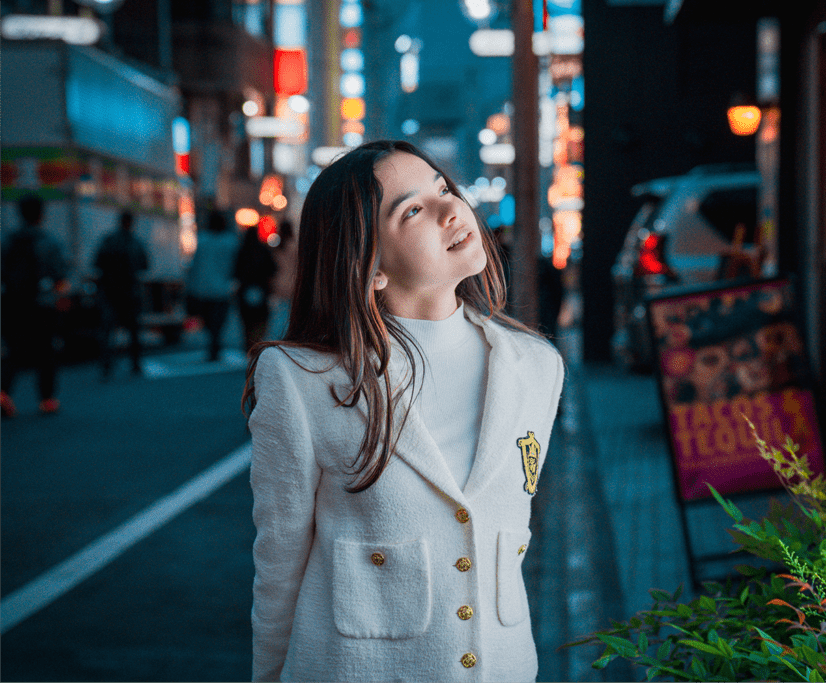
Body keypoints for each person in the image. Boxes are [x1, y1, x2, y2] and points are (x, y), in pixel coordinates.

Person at [241, 140, 564, 682]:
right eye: (412, 210)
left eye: (443, 188)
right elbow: (279, 559)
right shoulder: (302, 379)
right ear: (371, 268)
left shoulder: (537, 367)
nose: (451, 208)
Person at [1, 194, 69, 416]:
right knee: (46, 351)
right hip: (41, 304)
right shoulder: (47, 241)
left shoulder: (8, 241)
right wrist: (61, 295)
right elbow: (60, 274)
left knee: (13, 351)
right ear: (41, 213)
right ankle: (47, 399)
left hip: (12, 303)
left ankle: (3, 393)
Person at [94, 211, 150, 377]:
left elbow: (97, 262)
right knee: (133, 330)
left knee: (107, 331)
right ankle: (135, 364)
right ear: (131, 223)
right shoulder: (135, 242)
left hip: (109, 291)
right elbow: (145, 264)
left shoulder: (109, 240)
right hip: (129, 291)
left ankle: (106, 365)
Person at [185, 210, 239, 361]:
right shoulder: (231, 242)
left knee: (208, 321)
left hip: (203, 289)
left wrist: (191, 285)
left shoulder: (202, 240)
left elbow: (195, 265)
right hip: (222, 288)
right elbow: (235, 265)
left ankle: (212, 345)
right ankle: (215, 345)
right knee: (219, 321)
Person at [234, 226, 277, 353]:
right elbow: (272, 269)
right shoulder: (264, 250)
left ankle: (248, 344)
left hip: (245, 290)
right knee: (261, 319)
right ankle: (257, 341)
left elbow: (236, 271)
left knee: (247, 321)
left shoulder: (242, 251)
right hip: (262, 289)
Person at [268, 219, 298, 340]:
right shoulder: (295, 246)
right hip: (293, 284)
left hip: (278, 284)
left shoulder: (277, 247)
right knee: (290, 315)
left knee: (278, 315)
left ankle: (275, 338)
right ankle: (286, 338)